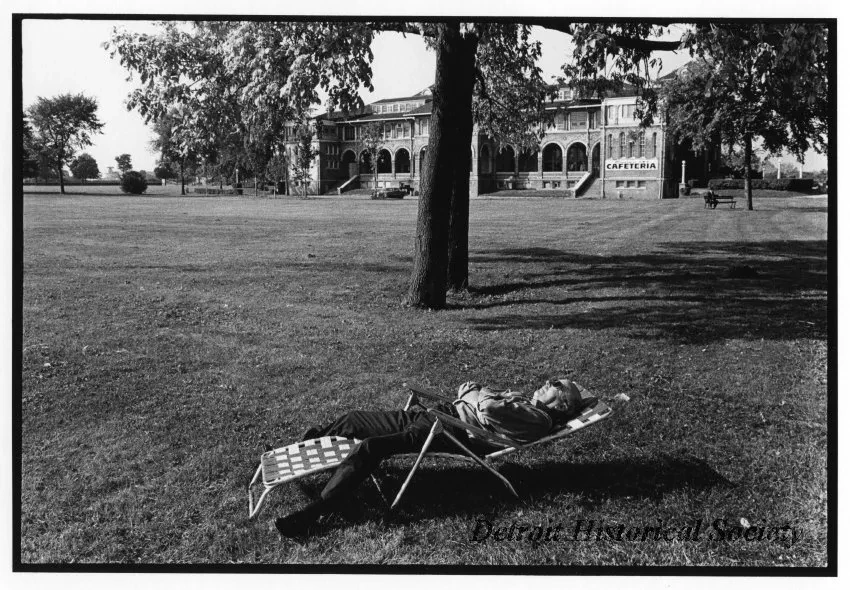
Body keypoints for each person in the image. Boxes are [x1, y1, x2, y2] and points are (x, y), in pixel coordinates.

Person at [274, 379, 584, 538]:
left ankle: (319, 511)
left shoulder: (538, 418)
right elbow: (469, 390)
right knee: (354, 419)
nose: (548, 382)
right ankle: (300, 452)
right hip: (437, 417)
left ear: (562, 403)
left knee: (371, 448)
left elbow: (485, 405)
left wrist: (477, 393)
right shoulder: (526, 402)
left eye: (555, 385)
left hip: (447, 430)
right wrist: (473, 395)